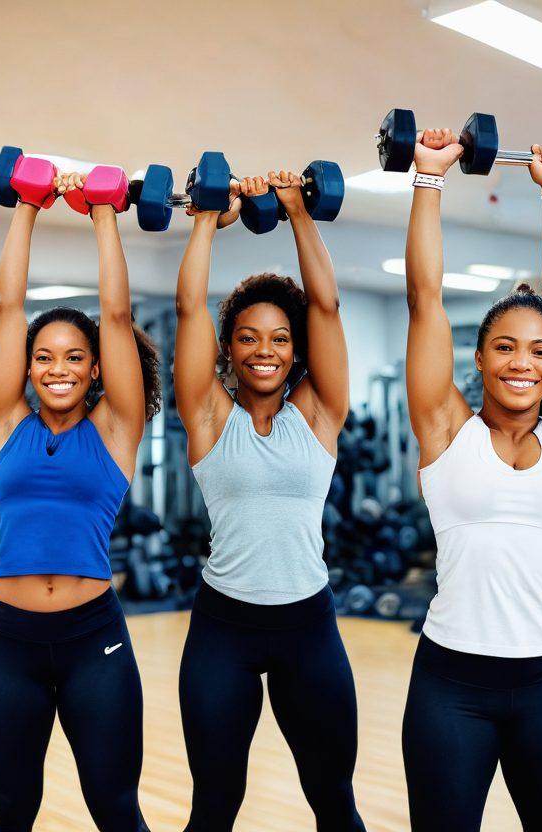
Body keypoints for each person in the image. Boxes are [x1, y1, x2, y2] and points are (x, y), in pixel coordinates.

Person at [399, 130, 542, 831]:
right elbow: (425, 297)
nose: (522, 362)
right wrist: (429, 181)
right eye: (505, 347)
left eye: (539, 350)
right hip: (450, 685)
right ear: (479, 355)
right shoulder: (445, 428)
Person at [174, 171, 364, 831]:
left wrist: (296, 213)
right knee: (215, 806)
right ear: (229, 347)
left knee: (335, 803)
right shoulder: (206, 415)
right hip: (222, 630)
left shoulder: (318, 416)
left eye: (281, 338)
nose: (265, 350)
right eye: (250, 337)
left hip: (308, 629)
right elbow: (189, 308)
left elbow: (329, 308)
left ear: (296, 350)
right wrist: (205, 221)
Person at [0, 170, 161, 832]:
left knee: (116, 808)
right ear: (27, 367)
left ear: (96, 370)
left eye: (75, 357)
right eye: (45, 356)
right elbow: (6, 308)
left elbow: (116, 315)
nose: (59, 367)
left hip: (93, 642)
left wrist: (105, 214)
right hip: (8, 643)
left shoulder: (116, 431)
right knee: (11, 811)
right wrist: (25, 206)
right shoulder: (0, 425)